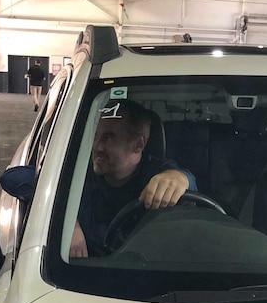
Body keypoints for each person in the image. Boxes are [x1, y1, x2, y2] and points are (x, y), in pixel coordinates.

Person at [70, 100, 197, 257]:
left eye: (109, 137)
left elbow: (181, 181)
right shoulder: (78, 172)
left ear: (138, 144)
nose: (97, 146)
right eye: (96, 136)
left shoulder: (155, 172)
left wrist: (178, 178)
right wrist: (69, 225)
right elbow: (32, 176)